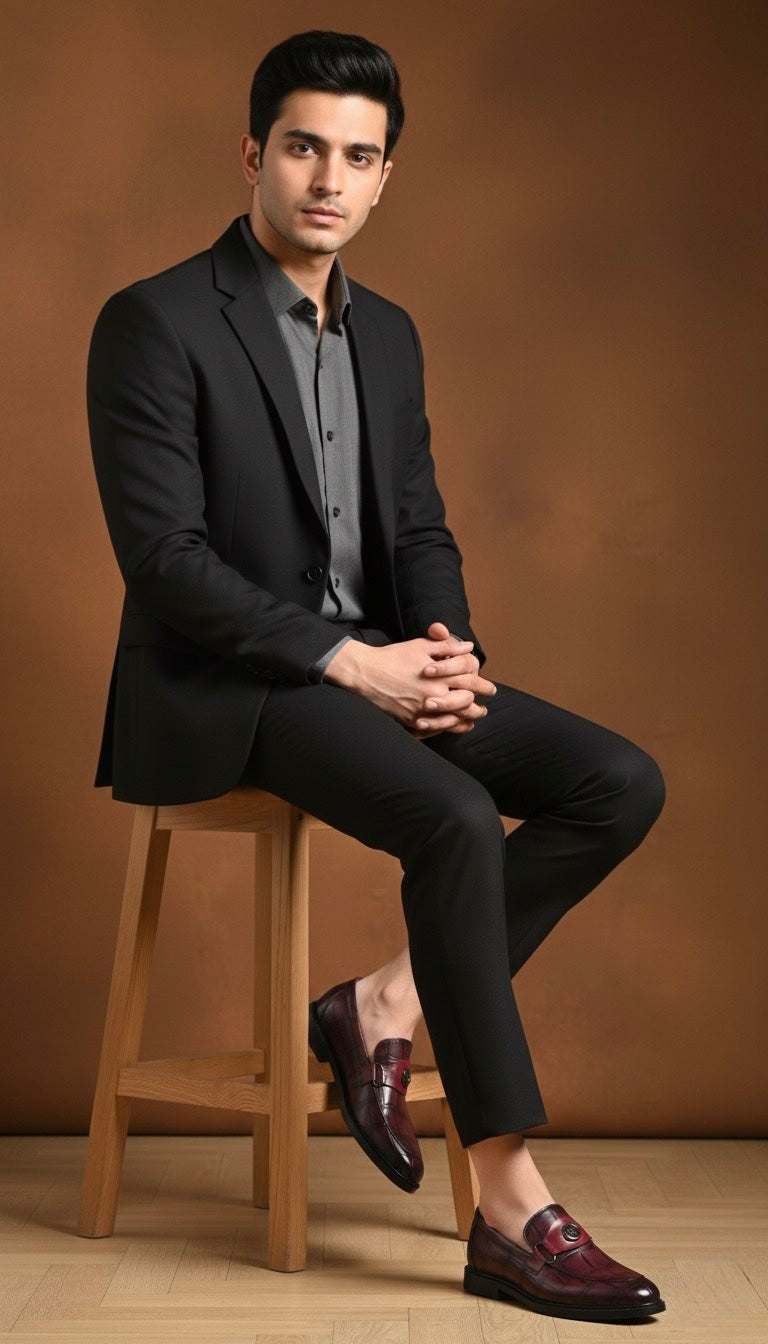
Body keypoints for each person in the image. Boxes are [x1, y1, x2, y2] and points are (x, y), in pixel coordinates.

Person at [88, 29, 667, 1324]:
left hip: (378, 667)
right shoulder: (156, 320)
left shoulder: (391, 335)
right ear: (255, 153)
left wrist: (449, 657)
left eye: (357, 155)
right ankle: (510, 1206)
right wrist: (353, 664)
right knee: (454, 819)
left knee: (616, 783)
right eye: (303, 146)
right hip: (222, 689)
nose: (327, 180)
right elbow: (166, 563)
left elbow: (415, 530)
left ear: (387, 174)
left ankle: (379, 1002)